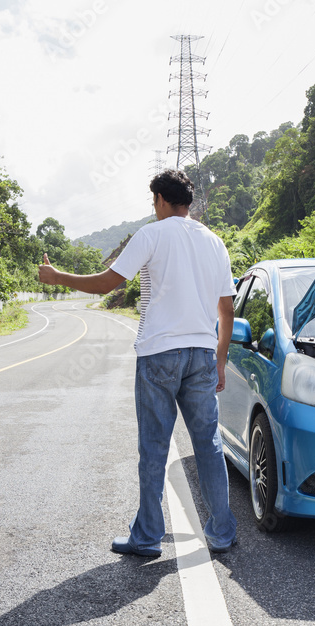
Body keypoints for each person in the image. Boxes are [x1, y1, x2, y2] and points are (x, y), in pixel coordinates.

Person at [38, 169, 237, 556]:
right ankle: (222, 532)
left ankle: (147, 536)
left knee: (154, 447)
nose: (154, 208)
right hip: (201, 353)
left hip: (159, 353)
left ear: (162, 200)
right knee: (209, 445)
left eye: (154, 202)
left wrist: (57, 276)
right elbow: (226, 308)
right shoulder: (215, 242)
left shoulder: (151, 234)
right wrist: (221, 358)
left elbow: (106, 283)